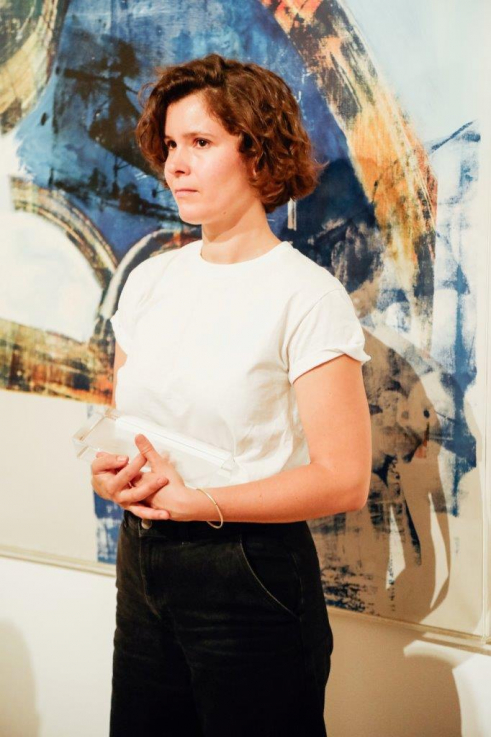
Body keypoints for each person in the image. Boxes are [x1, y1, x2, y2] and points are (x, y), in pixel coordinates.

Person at [91, 53, 372, 737]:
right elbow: (125, 419)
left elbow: (343, 479)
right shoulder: (150, 279)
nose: (175, 165)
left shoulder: (306, 296)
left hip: (248, 571)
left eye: (200, 142)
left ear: (258, 153)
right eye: (170, 145)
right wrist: (109, 471)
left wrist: (200, 502)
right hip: (142, 556)